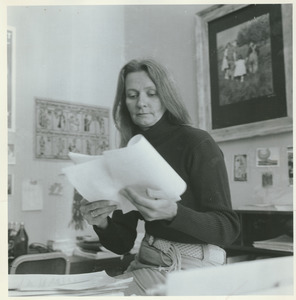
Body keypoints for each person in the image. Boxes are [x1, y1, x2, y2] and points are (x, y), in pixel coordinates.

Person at [79, 58, 240, 295]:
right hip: (147, 260)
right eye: (132, 95)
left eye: (151, 94)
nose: (141, 103)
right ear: (124, 102)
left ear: (166, 97)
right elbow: (122, 243)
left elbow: (228, 229)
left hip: (190, 266)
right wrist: (100, 222)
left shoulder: (197, 143)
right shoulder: (129, 153)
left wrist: (174, 213)